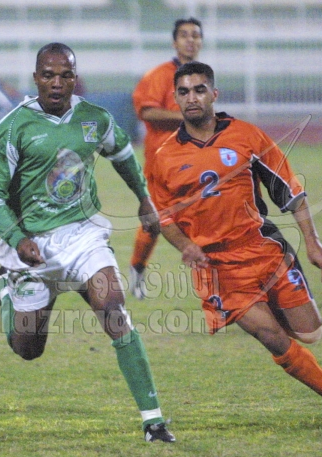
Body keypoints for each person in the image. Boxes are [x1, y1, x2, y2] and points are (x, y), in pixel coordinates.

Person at [0, 42, 175, 443]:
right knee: (28, 349)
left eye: (65, 75)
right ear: (36, 79)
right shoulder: (13, 128)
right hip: (33, 245)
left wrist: (143, 198)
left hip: (84, 235)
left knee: (115, 311)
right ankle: (7, 289)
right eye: (48, 75)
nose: (57, 83)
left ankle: (154, 422)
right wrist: (17, 239)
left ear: (74, 79)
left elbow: (122, 152)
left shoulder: (94, 119)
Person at [148, 61, 322, 422]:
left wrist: (313, 243)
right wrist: (186, 245)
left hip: (264, 250)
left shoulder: (246, 136)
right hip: (219, 268)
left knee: (310, 332)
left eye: (199, 90)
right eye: (183, 92)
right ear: (176, 99)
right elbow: (163, 217)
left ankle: (274, 311)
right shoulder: (164, 156)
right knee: (270, 336)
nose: (191, 98)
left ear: (214, 94)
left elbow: (289, 190)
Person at [129, 17, 203, 300]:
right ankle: (137, 268)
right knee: (156, 220)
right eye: (184, 35)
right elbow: (146, 111)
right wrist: (184, 116)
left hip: (195, 160)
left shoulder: (203, 78)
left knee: (205, 215)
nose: (190, 40)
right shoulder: (159, 75)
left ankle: (214, 278)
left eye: (195, 35)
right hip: (162, 161)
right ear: (174, 42)